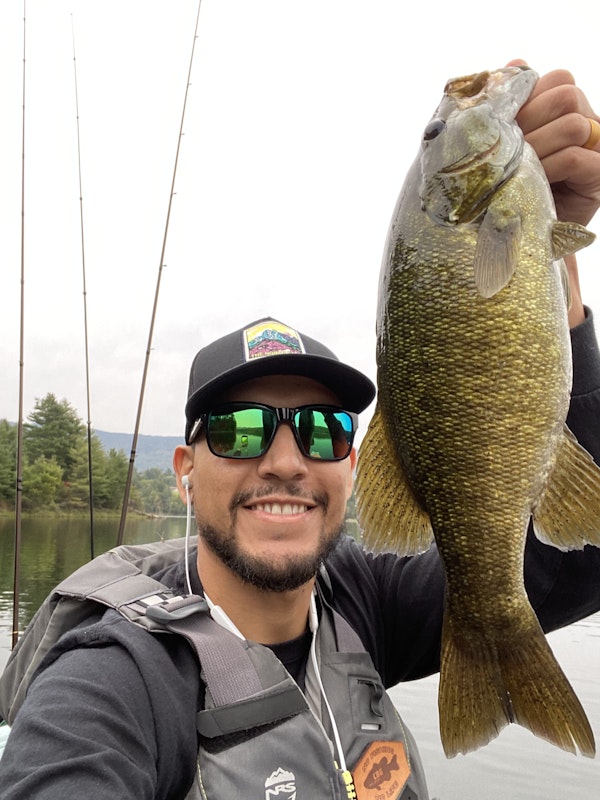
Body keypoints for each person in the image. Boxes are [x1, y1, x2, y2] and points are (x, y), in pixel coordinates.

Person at [1, 64, 600, 799]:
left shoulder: (359, 600)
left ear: (354, 462)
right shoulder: (112, 678)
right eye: (241, 429)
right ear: (184, 469)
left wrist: (555, 271)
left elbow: (577, 564)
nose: (285, 459)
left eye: (321, 430)